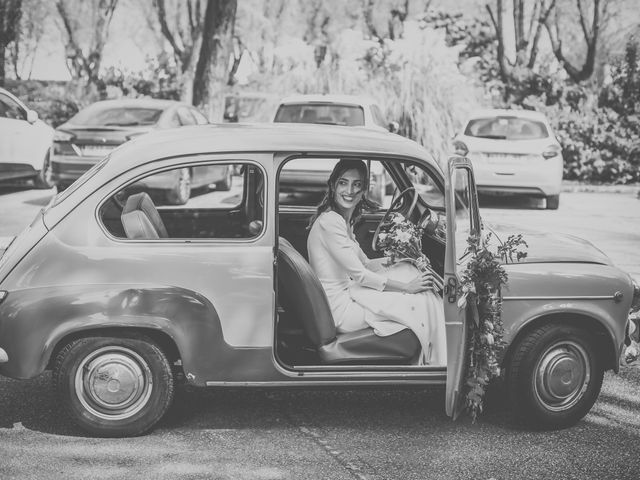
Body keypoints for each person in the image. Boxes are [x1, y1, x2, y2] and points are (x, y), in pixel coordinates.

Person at [306, 159, 446, 365]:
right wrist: (407, 287)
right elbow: (360, 275)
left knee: (409, 274)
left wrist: (403, 259)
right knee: (421, 300)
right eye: (343, 183)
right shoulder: (330, 222)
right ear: (333, 185)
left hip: (349, 293)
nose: (350, 190)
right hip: (340, 309)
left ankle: (432, 359)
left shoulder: (342, 221)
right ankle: (437, 363)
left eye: (357, 184)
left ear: (364, 189)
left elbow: (365, 263)